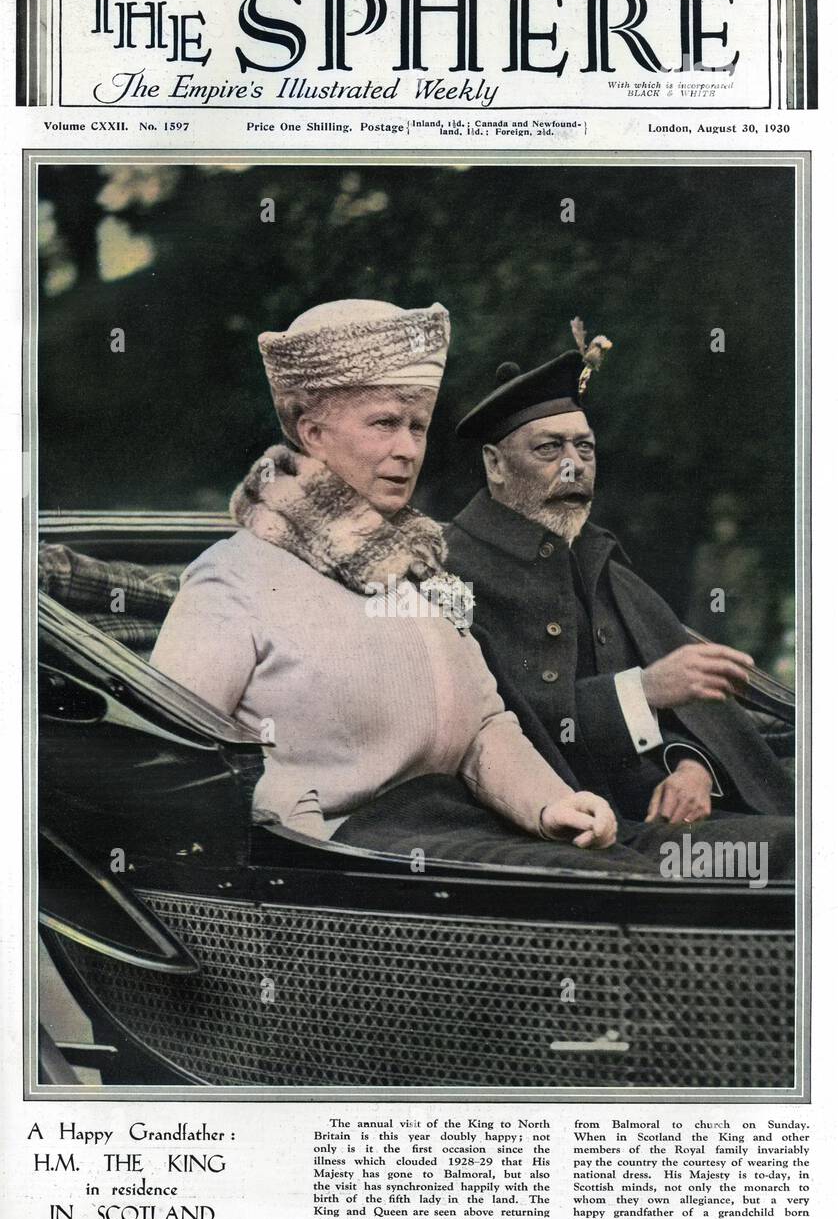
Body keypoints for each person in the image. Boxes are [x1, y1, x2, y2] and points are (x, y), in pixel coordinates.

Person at [150, 299, 636, 871]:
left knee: (696, 866)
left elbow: (483, 726)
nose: (407, 449)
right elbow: (172, 757)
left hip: (462, 828)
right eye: (384, 423)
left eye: (418, 427)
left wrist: (551, 804)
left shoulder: (420, 569)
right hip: (348, 861)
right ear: (312, 432)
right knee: (630, 893)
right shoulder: (235, 579)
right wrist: (287, 811)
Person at [444, 319, 794, 879]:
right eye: (549, 448)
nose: (573, 464)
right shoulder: (451, 568)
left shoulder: (597, 559)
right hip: (556, 833)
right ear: (495, 465)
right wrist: (645, 690)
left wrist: (692, 767)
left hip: (655, 823)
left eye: (584, 447)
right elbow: (492, 726)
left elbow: (691, 717)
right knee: (795, 852)